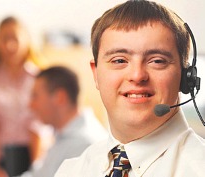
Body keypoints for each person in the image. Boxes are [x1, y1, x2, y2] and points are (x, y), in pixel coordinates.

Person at [54, 0, 205, 177]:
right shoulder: (71, 171)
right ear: (96, 74)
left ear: (186, 77)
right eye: (119, 60)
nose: (137, 75)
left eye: (157, 61)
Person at [19, 66, 108, 177]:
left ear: (60, 97)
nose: (30, 105)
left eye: (35, 96)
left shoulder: (83, 145)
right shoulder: (62, 135)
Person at [0, 16, 45, 176]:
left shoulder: (38, 78)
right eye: (4, 39)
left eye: (14, 38)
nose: (10, 45)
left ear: (26, 39)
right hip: (0, 156)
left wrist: (36, 168)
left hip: (34, 154)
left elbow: (39, 127)